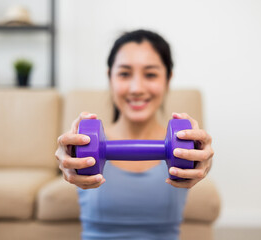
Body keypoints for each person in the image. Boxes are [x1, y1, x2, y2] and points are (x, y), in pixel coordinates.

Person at [55, 29, 214, 240]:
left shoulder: (188, 145)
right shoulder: (80, 144)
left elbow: (203, 162)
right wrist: (66, 157)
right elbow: (67, 160)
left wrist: (204, 160)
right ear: (109, 78)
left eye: (150, 74)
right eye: (124, 73)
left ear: (168, 80)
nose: (136, 88)